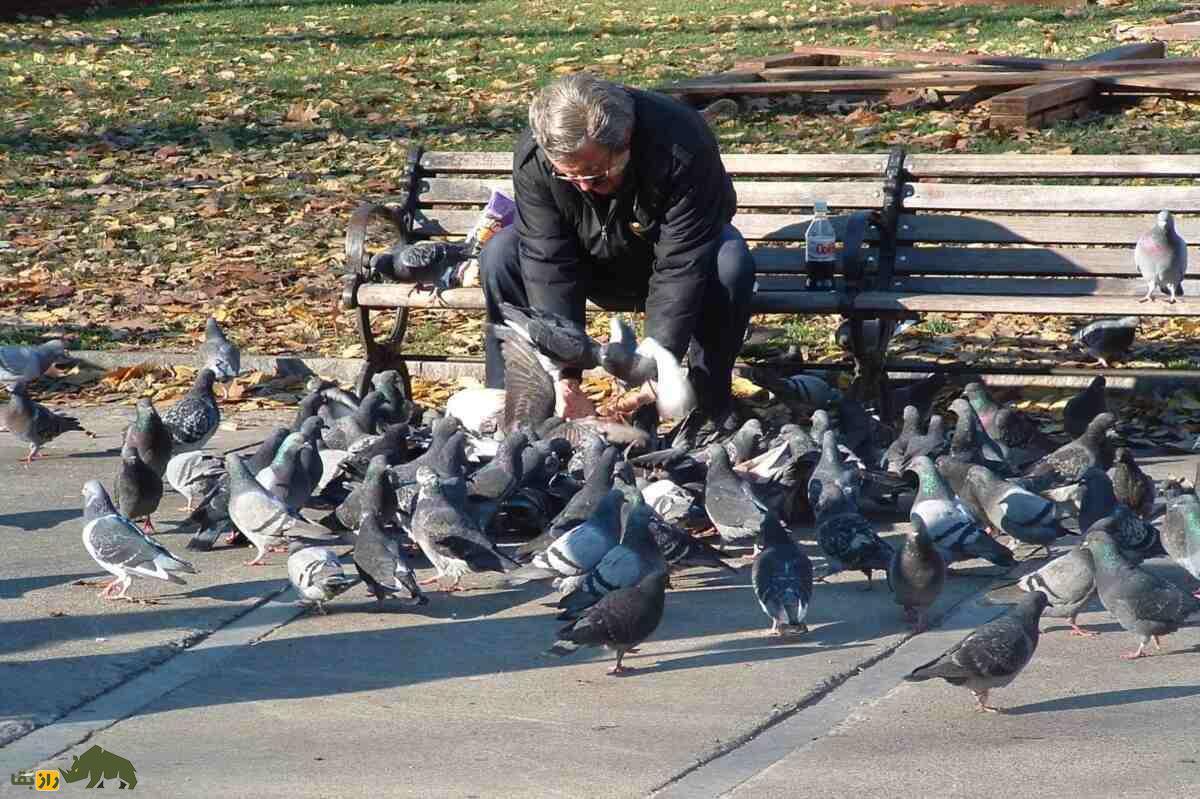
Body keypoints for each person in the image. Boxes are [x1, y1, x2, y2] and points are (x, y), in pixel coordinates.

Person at [480, 72, 755, 429]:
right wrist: (565, 375)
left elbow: (682, 260)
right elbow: (547, 260)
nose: (583, 187)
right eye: (569, 177)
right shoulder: (537, 156)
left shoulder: (681, 144)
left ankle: (707, 403)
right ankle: (516, 409)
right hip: (586, 263)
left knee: (730, 262)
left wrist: (658, 363)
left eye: (595, 175)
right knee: (501, 253)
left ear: (625, 139)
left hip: (673, 258)